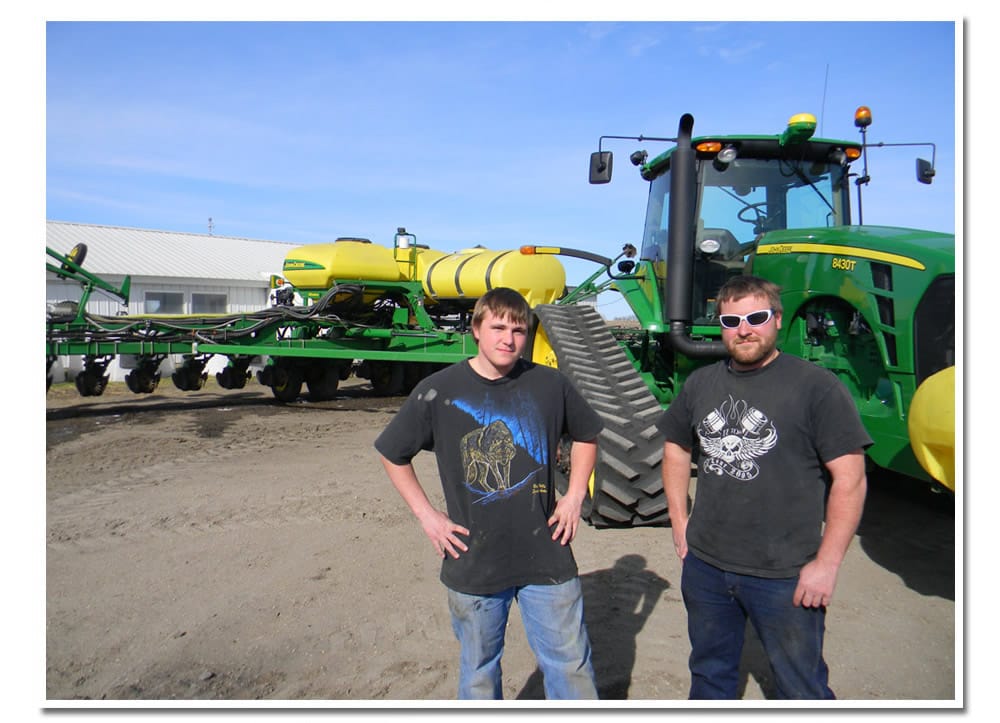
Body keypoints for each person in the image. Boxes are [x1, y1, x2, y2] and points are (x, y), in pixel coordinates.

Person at [374, 287, 603, 700]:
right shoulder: (439, 390)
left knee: (571, 664)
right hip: (474, 559)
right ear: (476, 329)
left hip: (548, 555)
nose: (508, 339)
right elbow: (393, 453)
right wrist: (428, 517)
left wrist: (572, 498)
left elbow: (588, 434)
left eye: (518, 330)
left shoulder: (551, 385)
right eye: (498, 327)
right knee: (479, 671)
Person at [657, 275, 871, 699]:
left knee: (801, 686)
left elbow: (851, 479)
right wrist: (680, 525)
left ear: (776, 319)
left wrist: (826, 564)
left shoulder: (816, 387)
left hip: (785, 574)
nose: (744, 329)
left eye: (756, 317)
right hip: (706, 568)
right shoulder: (701, 384)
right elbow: (676, 448)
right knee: (709, 677)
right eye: (731, 320)